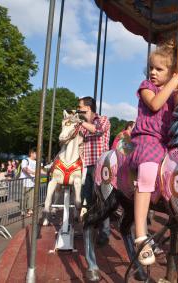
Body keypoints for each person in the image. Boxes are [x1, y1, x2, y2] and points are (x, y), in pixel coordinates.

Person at [129, 40, 178, 265]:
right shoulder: (147, 87)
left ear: (170, 71)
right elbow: (154, 105)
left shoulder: (172, 92)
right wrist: (174, 82)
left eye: (159, 69)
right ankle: (141, 236)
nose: (153, 72)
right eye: (151, 68)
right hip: (147, 139)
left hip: (167, 143)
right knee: (148, 170)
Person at [77, 96, 111, 281]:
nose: (78, 109)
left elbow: (98, 131)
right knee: (90, 203)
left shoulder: (103, 119)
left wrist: (80, 122)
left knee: (103, 200)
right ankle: (96, 229)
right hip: (88, 166)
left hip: (101, 165)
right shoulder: (82, 126)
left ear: (88, 108)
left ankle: (105, 230)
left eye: (80, 107)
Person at [19, 149, 44, 216]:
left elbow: (41, 170)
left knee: (32, 197)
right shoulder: (25, 160)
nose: (37, 155)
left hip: (33, 182)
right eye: (36, 153)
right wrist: (33, 173)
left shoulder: (36, 162)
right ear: (31, 153)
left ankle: (30, 210)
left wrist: (48, 173)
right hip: (25, 182)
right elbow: (24, 169)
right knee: (25, 197)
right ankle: (23, 210)